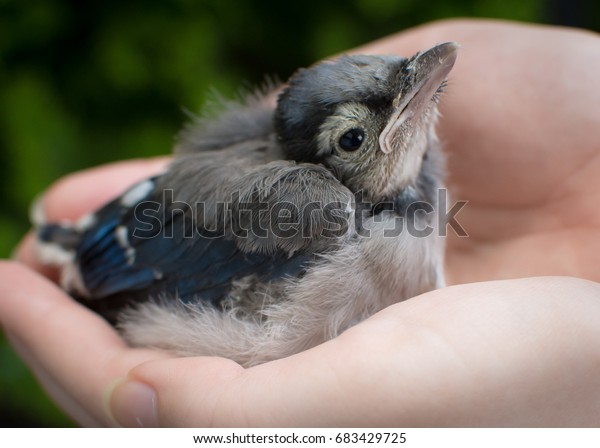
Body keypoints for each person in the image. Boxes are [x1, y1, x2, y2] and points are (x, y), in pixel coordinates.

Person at [2, 18, 600, 427]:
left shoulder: (421, 178)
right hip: (123, 258)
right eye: (354, 138)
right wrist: (77, 260)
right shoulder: (317, 216)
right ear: (324, 161)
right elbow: (124, 267)